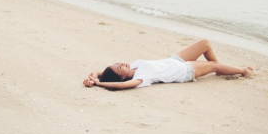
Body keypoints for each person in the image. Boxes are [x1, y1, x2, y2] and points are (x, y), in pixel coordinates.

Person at [83, 39, 254, 90]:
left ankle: (218, 68)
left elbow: (99, 72)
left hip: (175, 60)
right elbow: (121, 86)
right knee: (215, 66)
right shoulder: (141, 79)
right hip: (183, 71)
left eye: (118, 63)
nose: (122, 63)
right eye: (120, 67)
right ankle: (243, 71)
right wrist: (99, 84)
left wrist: (93, 77)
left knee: (205, 44)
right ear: (122, 76)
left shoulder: (133, 66)